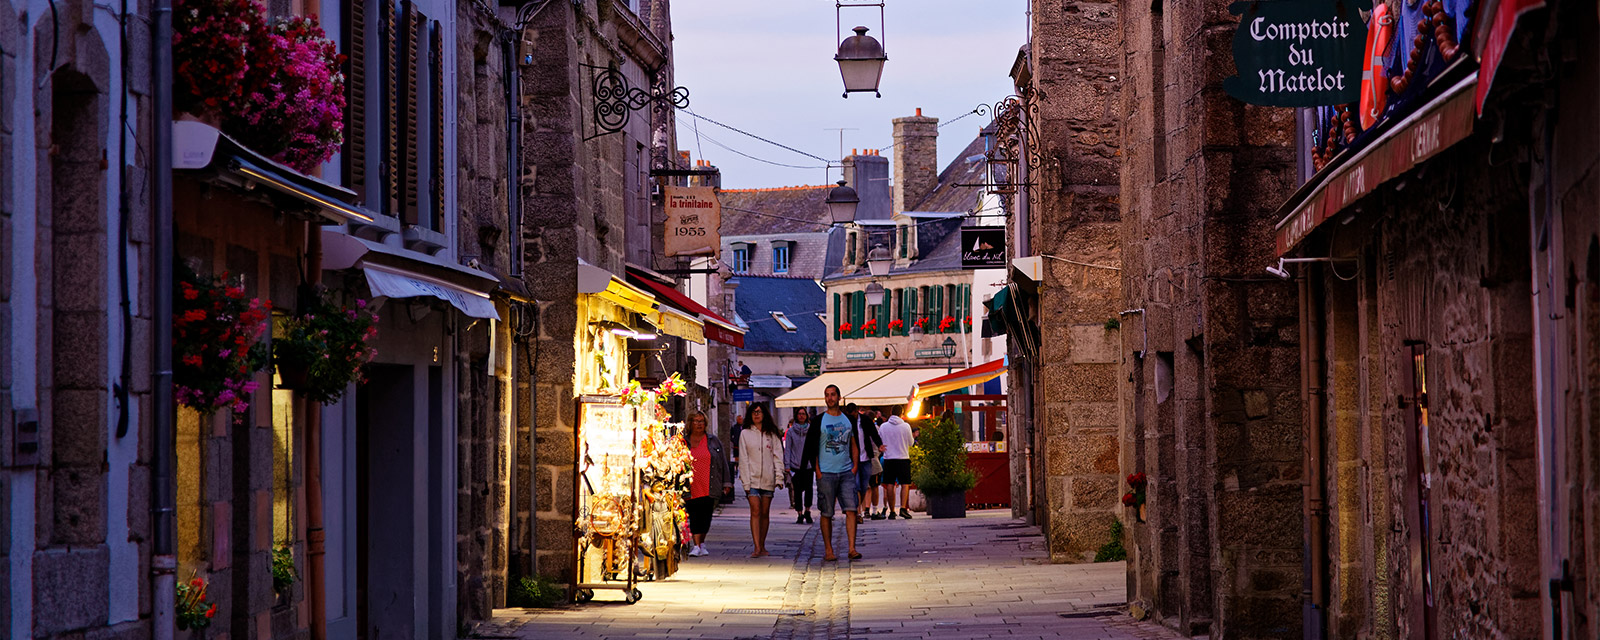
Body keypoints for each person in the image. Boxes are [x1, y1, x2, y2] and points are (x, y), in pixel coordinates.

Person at [737, 402, 785, 558]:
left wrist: (779, 477)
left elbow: (778, 456)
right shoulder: (745, 434)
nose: (756, 414)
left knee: (765, 513)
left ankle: (762, 544)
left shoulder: (772, 434)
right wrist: (745, 482)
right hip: (751, 479)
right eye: (753, 412)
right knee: (755, 511)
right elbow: (743, 459)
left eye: (759, 412)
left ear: (764, 414)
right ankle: (757, 546)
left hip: (768, 479)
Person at [683, 412, 732, 557]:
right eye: (696, 421)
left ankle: (701, 543)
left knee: (706, 516)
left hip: (709, 483)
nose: (699, 424)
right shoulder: (684, 442)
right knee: (694, 514)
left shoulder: (713, 441)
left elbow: (723, 462)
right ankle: (696, 545)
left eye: (701, 421)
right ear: (690, 423)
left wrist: (726, 482)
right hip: (691, 484)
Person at [845, 403, 885, 521]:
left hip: (866, 457)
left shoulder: (865, 420)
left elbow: (873, 433)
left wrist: (879, 445)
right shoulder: (848, 422)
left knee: (864, 486)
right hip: (853, 459)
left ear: (856, 411)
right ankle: (858, 512)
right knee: (856, 485)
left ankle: (858, 508)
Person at [877, 405, 916, 519]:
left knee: (889, 483)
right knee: (905, 484)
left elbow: (880, 441)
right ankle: (903, 508)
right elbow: (911, 443)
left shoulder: (883, 427)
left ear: (891, 412)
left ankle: (892, 510)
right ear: (902, 413)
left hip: (889, 458)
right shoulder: (906, 426)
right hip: (903, 458)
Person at [784, 408, 814, 524]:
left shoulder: (811, 430)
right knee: (797, 491)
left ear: (806, 416)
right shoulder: (791, 432)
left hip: (808, 466)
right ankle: (799, 513)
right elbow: (788, 449)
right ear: (796, 416)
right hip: (795, 465)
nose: (801, 416)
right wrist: (787, 464)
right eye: (799, 414)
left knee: (809, 489)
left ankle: (808, 510)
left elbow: (814, 447)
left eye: (803, 414)